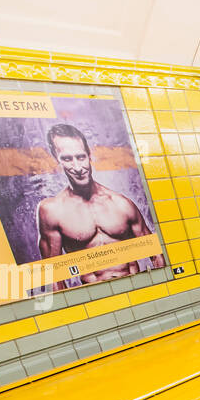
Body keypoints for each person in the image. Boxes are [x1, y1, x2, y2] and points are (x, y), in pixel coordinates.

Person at [37, 123, 164, 290]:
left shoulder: (121, 203)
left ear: (89, 155)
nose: (77, 167)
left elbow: (156, 255)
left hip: (137, 288)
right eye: (67, 159)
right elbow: (54, 274)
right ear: (56, 159)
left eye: (81, 157)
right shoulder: (53, 211)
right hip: (97, 296)